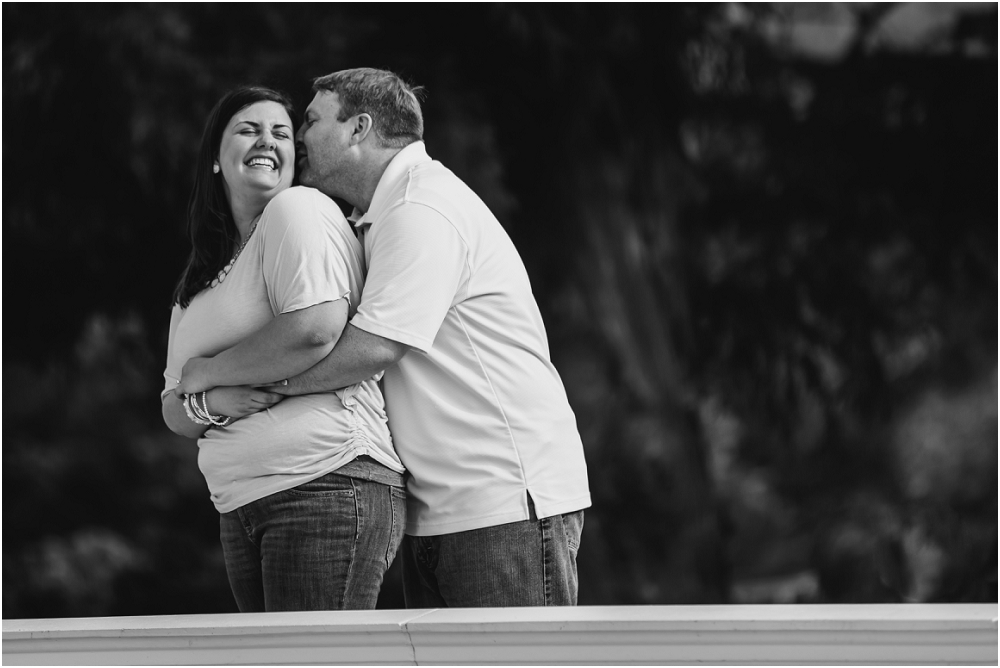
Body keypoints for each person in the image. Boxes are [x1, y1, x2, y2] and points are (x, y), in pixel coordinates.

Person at [183, 68, 592, 607]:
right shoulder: (375, 218)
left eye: (309, 121)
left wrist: (252, 390)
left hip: (502, 499)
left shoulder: (421, 207)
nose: (299, 138)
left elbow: (372, 348)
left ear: (359, 128)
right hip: (443, 506)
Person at [161, 85, 405, 612]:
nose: (267, 141)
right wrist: (211, 401)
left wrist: (205, 374)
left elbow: (313, 329)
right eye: (248, 130)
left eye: (280, 133)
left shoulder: (298, 210)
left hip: (323, 484)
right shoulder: (198, 281)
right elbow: (172, 409)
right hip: (241, 504)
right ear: (215, 163)